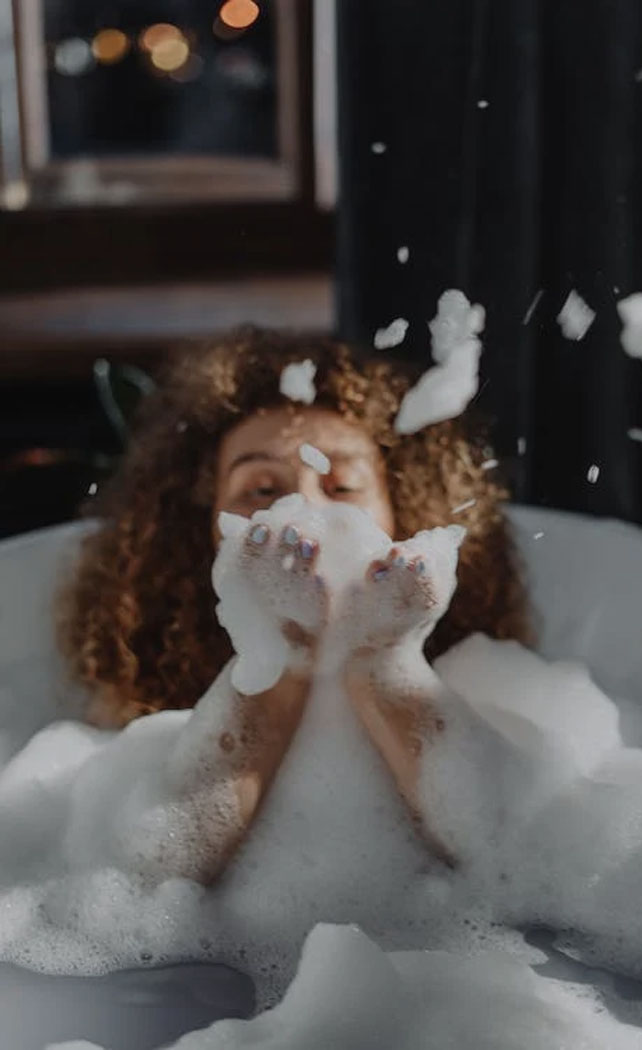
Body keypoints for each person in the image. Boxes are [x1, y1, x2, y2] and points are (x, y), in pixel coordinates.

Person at [57, 326, 530, 880]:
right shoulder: (145, 675)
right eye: (260, 489)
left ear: (403, 514)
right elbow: (143, 881)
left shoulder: (474, 664)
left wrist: (385, 661)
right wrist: (279, 658)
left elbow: (514, 861)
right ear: (206, 529)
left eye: (343, 486)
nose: (301, 506)